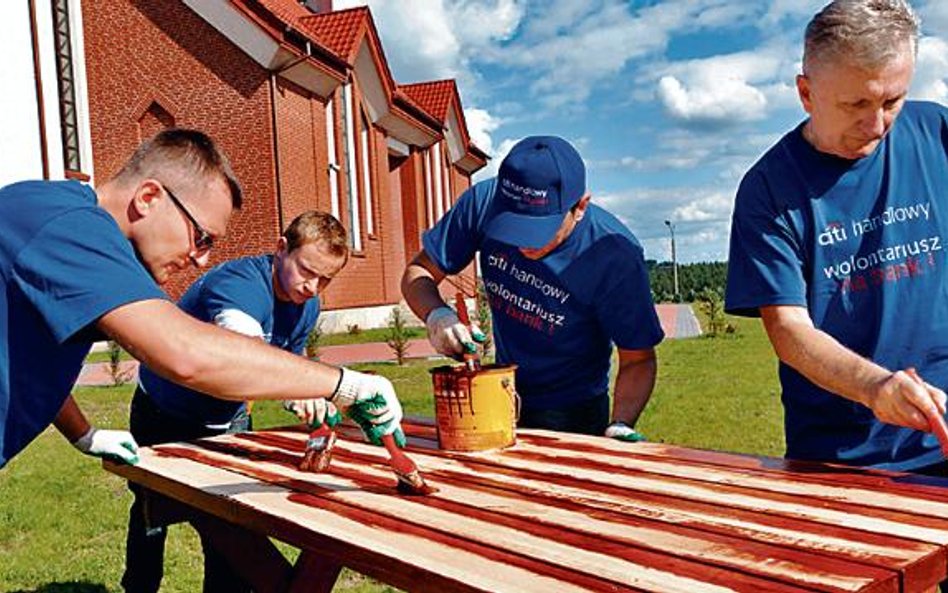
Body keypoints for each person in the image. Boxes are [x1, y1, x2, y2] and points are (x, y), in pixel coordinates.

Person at [0, 127, 402, 490]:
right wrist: (346, 385)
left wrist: (83, 434)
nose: (200, 259)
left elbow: (36, 364)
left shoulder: (73, 235)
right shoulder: (68, 225)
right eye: (201, 237)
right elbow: (186, 355)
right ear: (149, 198)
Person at [725, 0, 948, 474]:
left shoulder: (938, 134)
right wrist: (875, 388)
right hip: (842, 463)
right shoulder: (768, 189)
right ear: (806, 93)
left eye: (892, 101)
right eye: (856, 105)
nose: (877, 125)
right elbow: (789, 329)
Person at [121, 210, 349, 593]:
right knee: (153, 513)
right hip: (163, 415)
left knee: (231, 524)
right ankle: (139, 588)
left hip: (227, 420)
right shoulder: (238, 284)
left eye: (326, 278)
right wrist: (303, 387)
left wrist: (301, 393)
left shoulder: (307, 305)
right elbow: (242, 356)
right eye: (308, 271)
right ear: (281, 249)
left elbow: (285, 367)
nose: (313, 286)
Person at [402, 135, 664, 439]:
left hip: (576, 409)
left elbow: (638, 359)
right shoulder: (483, 203)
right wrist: (437, 316)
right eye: (512, 226)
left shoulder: (614, 255)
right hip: (501, 394)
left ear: (580, 207)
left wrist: (621, 424)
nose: (522, 242)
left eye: (539, 230)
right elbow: (417, 272)